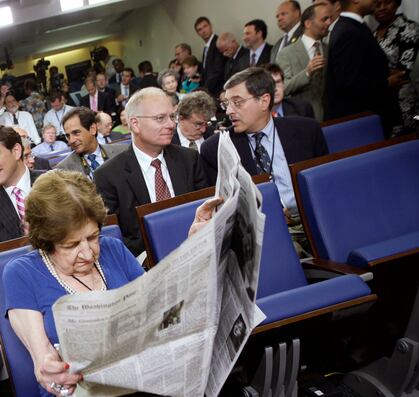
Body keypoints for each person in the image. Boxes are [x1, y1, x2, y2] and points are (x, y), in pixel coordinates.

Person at [3, 170, 274, 397]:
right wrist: (47, 365)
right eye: (71, 245)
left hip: (140, 384)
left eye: (92, 237)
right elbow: (37, 351)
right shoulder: (21, 271)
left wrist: (194, 243)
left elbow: (155, 305)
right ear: (45, 239)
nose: (87, 252)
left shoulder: (113, 250)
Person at [201, 68, 327, 225]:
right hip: (264, 230)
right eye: (226, 103)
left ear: (264, 101)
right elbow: (225, 209)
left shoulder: (307, 131)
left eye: (237, 102)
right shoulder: (215, 149)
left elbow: (325, 186)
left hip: (314, 218)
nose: (229, 111)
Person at [95, 87, 208, 256]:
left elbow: (206, 211)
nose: (171, 124)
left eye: (171, 116)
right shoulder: (108, 175)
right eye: (160, 118)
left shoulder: (190, 159)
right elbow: (112, 238)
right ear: (135, 124)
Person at [324, 0, 403, 135]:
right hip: (360, 125)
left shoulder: (354, 26)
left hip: (368, 119)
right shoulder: (348, 31)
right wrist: (387, 83)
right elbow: (348, 82)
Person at [276, 2, 332, 121]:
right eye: (324, 19)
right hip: (304, 119)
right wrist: (307, 72)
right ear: (308, 23)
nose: (329, 23)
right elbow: (283, 88)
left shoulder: (328, 48)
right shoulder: (286, 53)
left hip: (332, 117)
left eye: (329, 19)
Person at [373, 0, 419, 133]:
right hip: (380, 101)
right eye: (377, 4)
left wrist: (373, 81)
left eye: (387, 2)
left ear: (396, 3)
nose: (382, 8)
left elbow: (402, 70)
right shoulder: (372, 34)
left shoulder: (409, 28)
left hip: (402, 100)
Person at [57, 107, 130, 178]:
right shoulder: (64, 168)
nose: (71, 140)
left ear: (93, 129)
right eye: (68, 136)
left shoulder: (123, 151)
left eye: (76, 133)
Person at [195, 16, 228, 95]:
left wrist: (203, 89)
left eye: (205, 26)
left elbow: (218, 71)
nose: (203, 31)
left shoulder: (218, 43)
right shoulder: (206, 47)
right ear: (198, 33)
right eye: (200, 29)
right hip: (210, 91)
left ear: (211, 26)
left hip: (218, 90)